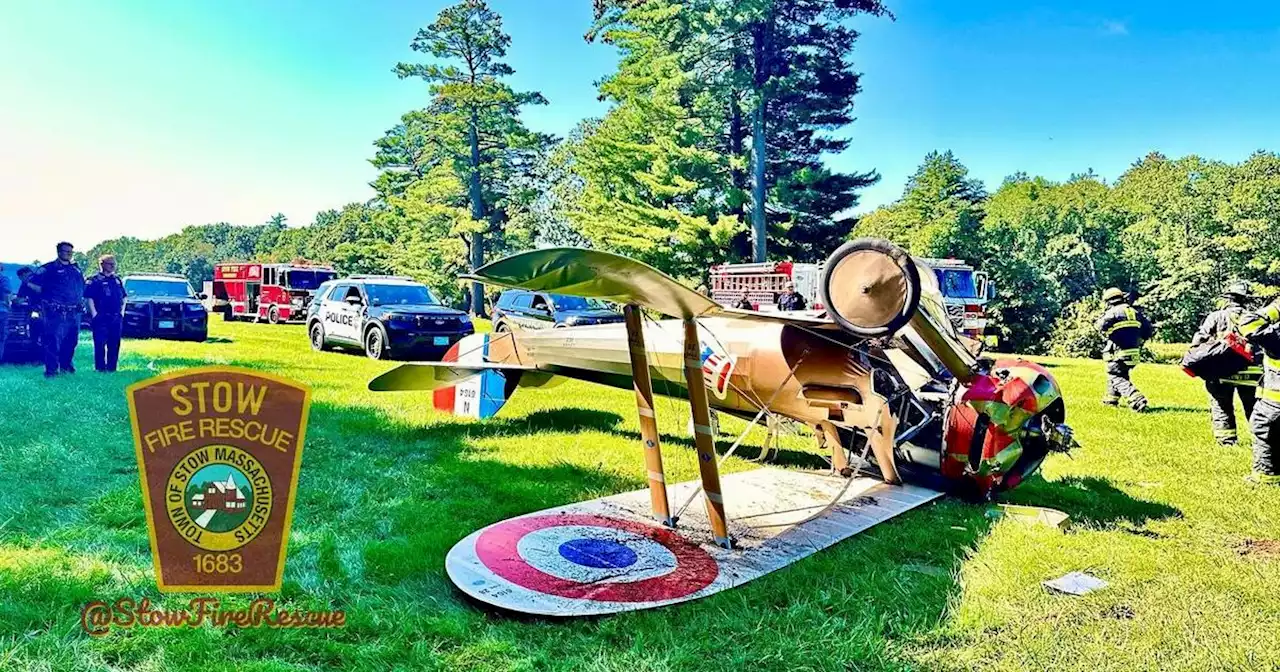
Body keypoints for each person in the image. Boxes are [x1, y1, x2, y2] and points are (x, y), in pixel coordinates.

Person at [1190, 281, 1262, 445]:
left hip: (1222, 372)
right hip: (1251, 373)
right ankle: (1262, 440)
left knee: (1221, 405)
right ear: (1245, 300)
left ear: (1227, 299)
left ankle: (1226, 441)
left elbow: (1200, 338)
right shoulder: (1254, 318)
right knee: (1253, 408)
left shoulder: (1216, 316)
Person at [27, 241, 85, 378]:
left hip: (73, 312)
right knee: (53, 341)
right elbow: (32, 284)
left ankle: (66, 367)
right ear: (59, 252)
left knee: (71, 341)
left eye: (71, 252)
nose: (69, 254)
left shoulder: (75, 269)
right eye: (66, 251)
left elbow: (81, 288)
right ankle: (51, 371)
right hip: (55, 312)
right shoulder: (48, 268)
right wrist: (45, 296)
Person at [1240, 298, 1280, 485]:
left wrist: (1275, 309)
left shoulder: (1276, 335)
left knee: (1265, 432)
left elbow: (1249, 323)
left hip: (1274, 402)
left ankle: (1265, 479)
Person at [1095, 287, 1153, 412]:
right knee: (1120, 374)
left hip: (1118, 353)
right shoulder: (1134, 312)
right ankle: (1111, 400)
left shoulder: (1113, 312)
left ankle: (1136, 399)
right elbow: (1148, 331)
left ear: (1109, 301)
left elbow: (1100, 326)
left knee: (1115, 375)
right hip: (1133, 353)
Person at [84, 254, 127, 372]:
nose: (113, 266)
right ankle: (100, 368)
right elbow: (89, 298)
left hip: (115, 317)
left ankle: (112, 368)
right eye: (110, 264)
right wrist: (94, 314)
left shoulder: (117, 280)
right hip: (101, 317)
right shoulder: (94, 280)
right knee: (100, 343)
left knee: (114, 343)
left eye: (114, 264)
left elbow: (124, 297)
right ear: (102, 264)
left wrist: (121, 313)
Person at [0, 263, 11, 363]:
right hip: (1, 310)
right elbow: (7, 294)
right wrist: (8, 304)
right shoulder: (3, 279)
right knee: (1, 337)